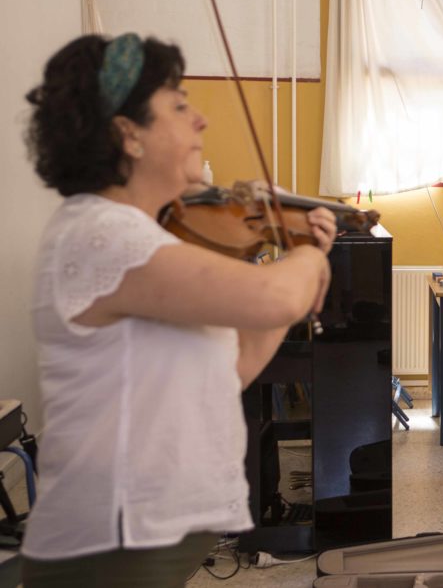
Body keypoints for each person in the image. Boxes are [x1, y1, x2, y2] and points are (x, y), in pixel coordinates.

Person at [19, 33, 335, 587]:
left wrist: (300, 269)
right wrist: (307, 258)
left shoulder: (144, 236)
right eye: (180, 105)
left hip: (149, 537)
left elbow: (231, 366)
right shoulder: (102, 234)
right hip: (113, 538)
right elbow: (274, 296)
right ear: (128, 135)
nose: (201, 121)